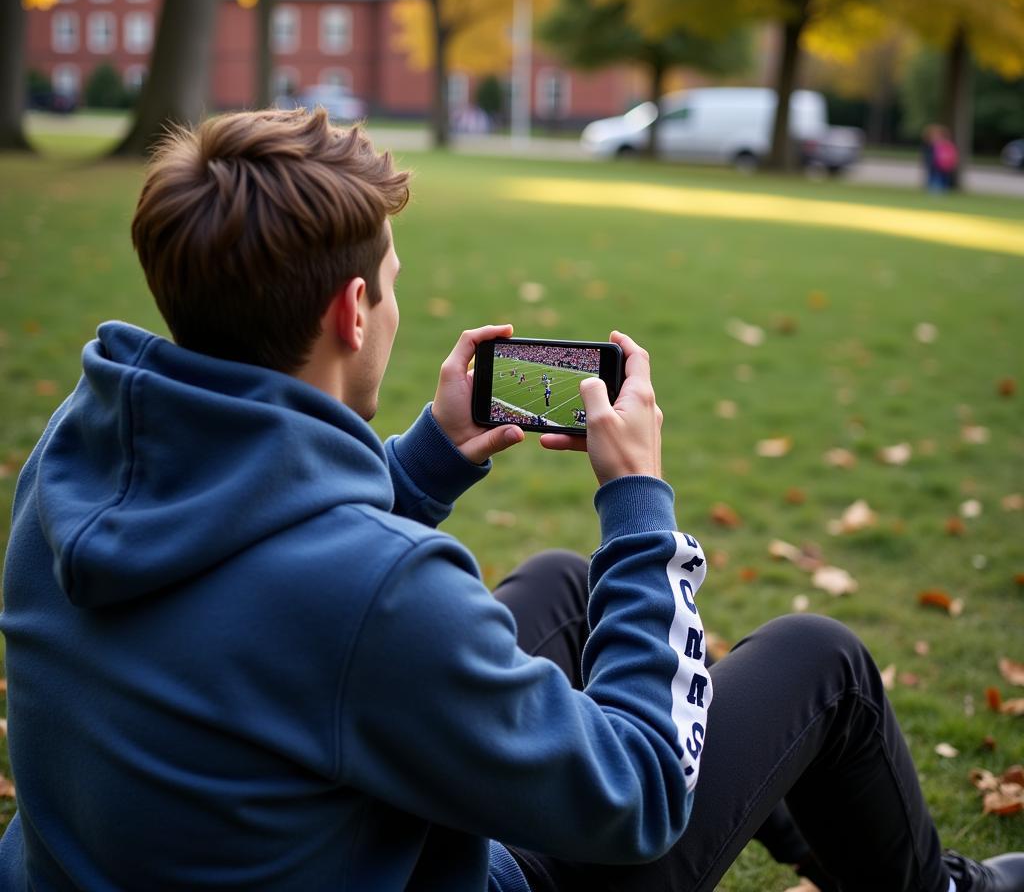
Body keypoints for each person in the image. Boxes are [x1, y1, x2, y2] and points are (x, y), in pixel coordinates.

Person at [0, 108, 1019, 892]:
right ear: (353, 311)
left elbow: (261, 573)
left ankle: (790, 798)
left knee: (558, 586)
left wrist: (431, 457)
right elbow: (635, 794)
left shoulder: (78, 461)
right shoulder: (380, 594)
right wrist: (637, 504)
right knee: (819, 662)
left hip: (177, 854)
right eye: (391, 283)